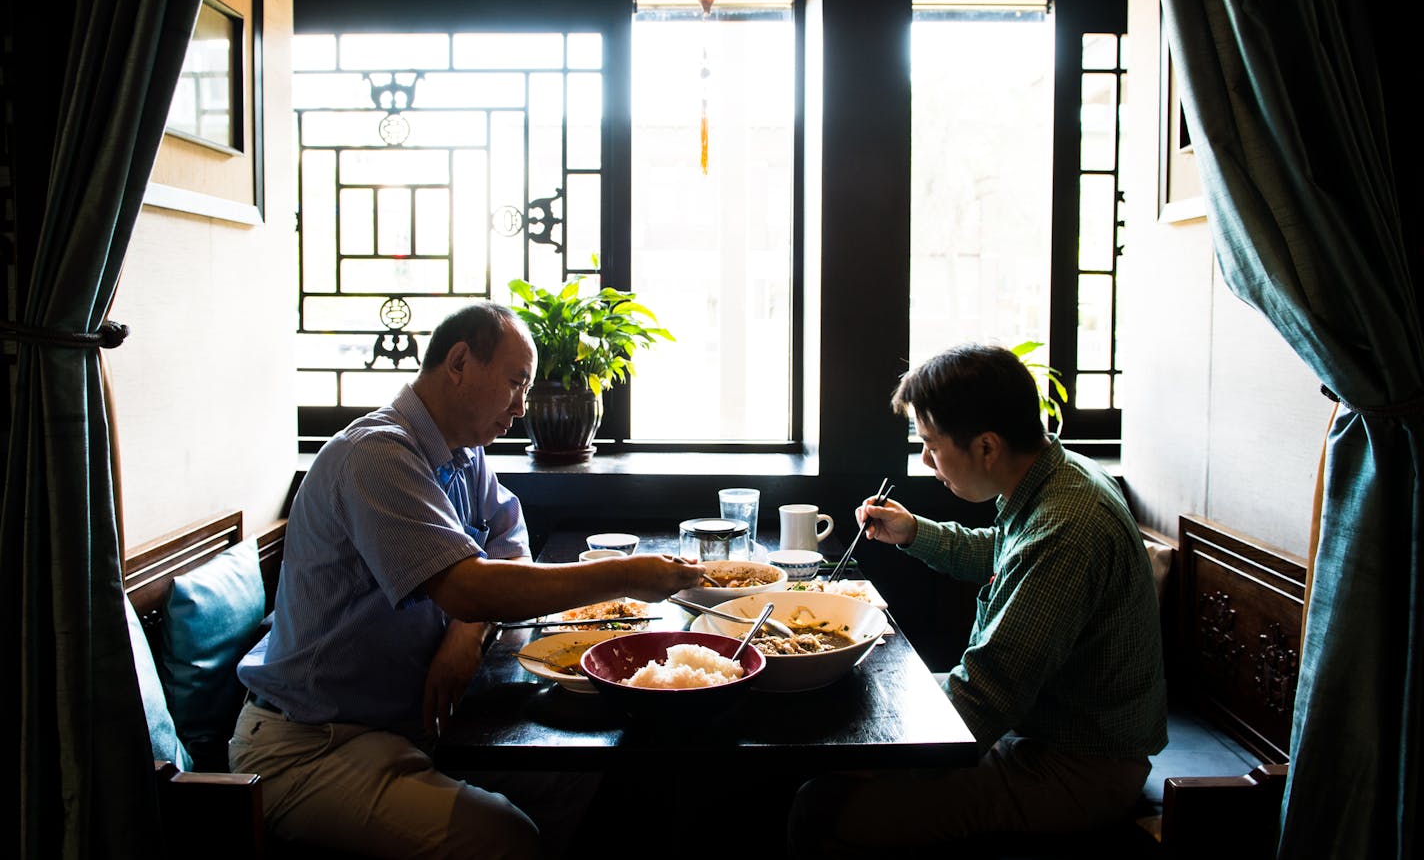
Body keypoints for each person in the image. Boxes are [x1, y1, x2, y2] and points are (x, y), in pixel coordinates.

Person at [229, 302, 703, 860]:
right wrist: (626, 575)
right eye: (515, 383)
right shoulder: (377, 453)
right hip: (312, 744)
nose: (523, 407)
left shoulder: (463, 453)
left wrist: (463, 633)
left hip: (407, 726)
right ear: (459, 362)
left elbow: (509, 540)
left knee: (580, 773)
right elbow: (465, 586)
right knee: (505, 838)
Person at [789, 343, 1167, 854]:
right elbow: (1004, 552)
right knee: (851, 712)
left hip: (1076, 764)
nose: (924, 459)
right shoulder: (1054, 475)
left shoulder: (1065, 530)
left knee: (827, 807)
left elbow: (989, 693)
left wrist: (872, 760)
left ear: (986, 446)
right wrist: (913, 531)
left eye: (931, 444)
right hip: (1038, 728)